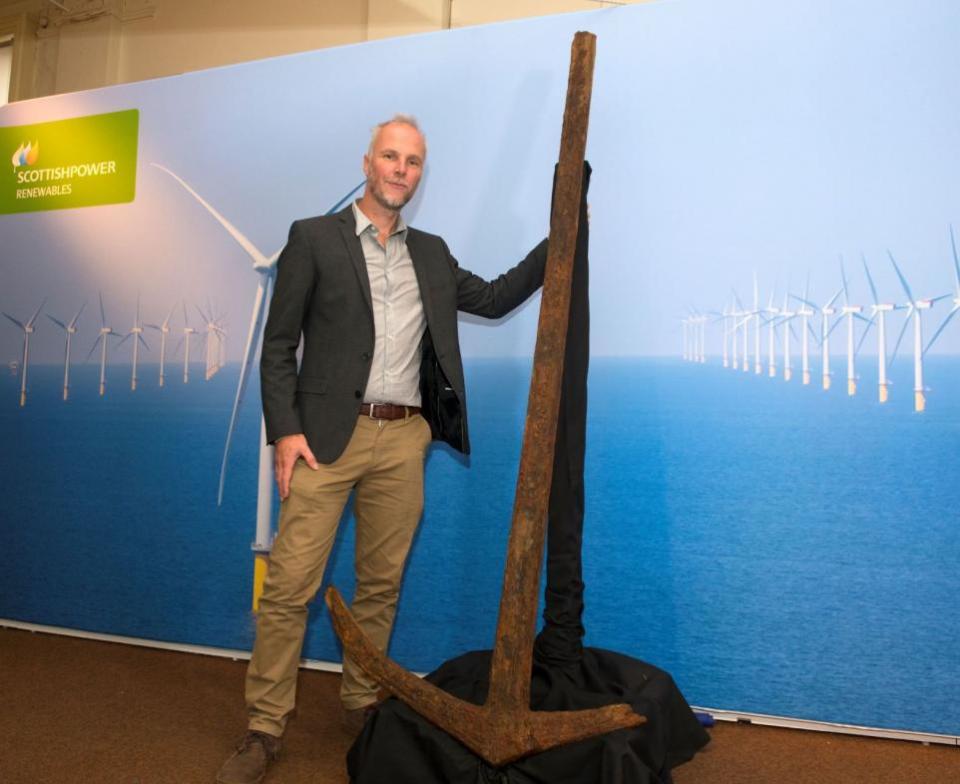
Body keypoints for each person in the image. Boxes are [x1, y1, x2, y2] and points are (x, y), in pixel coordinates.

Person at [216, 114, 548, 784]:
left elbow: (492, 296)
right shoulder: (312, 239)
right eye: (391, 157)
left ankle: (362, 703)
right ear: (368, 163)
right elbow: (277, 346)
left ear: (420, 174)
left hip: (405, 440)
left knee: (381, 584)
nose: (401, 170)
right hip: (324, 445)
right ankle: (264, 727)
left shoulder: (432, 252)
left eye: (414, 161)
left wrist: (560, 239)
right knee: (288, 590)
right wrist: (285, 430)